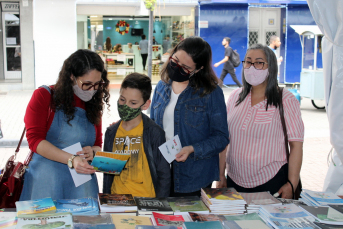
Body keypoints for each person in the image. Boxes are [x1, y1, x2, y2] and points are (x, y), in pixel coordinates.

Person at [20, 49, 110, 201]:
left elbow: (97, 143)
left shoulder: (94, 104)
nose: (93, 90)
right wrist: (71, 159)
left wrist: (93, 152)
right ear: (72, 77)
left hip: (82, 182)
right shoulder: (44, 96)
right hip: (47, 179)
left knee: (85, 224)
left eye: (97, 84)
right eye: (87, 84)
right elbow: (34, 140)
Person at [217, 44, 304, 199]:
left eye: (259, 62)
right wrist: (221, 175)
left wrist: (292, 183)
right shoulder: (235, 97)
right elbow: (224, 140)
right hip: (234, 181)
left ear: (270, 67)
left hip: (271, 181)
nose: (252, 67)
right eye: (248, 62)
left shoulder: (285, 99)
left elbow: (296, 145)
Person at [150, 36, 230, 197]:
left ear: (198, 69)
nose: (177, 67)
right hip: (161, 172)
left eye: (185, 67)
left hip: (194, 176)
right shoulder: (161, 86)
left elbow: (221, 138)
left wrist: (192, 149)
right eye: (175, 60)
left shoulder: (211, 93)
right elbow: (152, 125)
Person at [103, 73, 170, 198]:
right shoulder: (111, 132)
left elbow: (164, 173)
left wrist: (160, 203)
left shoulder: (154, 133)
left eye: (133, 103)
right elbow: (108, 174)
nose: (125, 106)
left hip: (145, 200)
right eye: (122, 100)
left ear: (145, 105)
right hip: (117, 200)